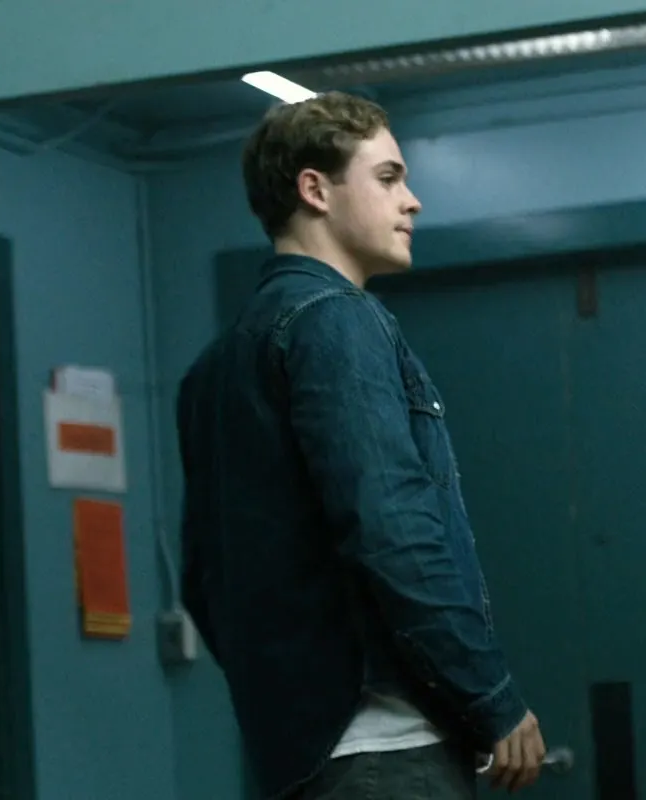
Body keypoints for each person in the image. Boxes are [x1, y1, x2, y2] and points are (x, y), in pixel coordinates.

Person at [177, 91, 548, 799]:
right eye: (387, 177)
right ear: (315, 190)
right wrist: (490, 694)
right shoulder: (338, 321)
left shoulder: (214, 365)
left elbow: (204, 580)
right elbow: (393, 529)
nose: (412, 201)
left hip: (305, 760)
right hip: (389, 753)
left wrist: (293, 703)